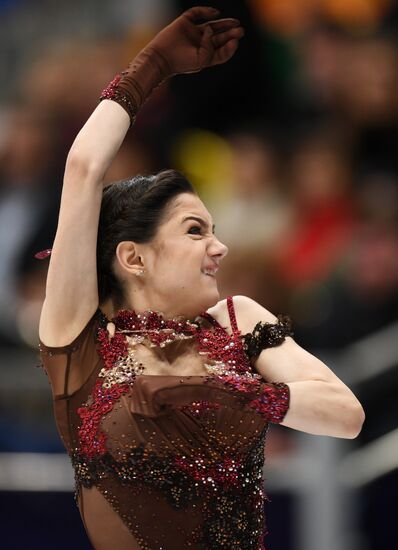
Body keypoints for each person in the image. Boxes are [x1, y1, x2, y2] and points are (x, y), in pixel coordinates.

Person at [37, 6, 365, 549]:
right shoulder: (82, 339)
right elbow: (83, 169)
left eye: (213, 229)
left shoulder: (238, 320)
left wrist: (226, 392)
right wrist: (151, 66)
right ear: (133, 257)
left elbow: (346, 414)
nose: (220, 246)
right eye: (195, 231)